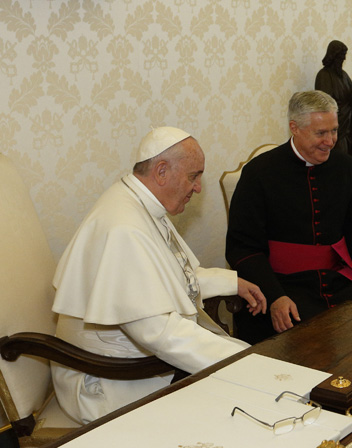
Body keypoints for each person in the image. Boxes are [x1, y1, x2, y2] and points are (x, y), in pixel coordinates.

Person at [51, 127, 267, 425]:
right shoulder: (124, 227)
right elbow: (161, 333)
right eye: (194, 176)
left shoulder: (139, 204)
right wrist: (244, 360)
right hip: (112, 383)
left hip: (141, 364)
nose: (199, 188)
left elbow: (173, 277)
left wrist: (233, 282)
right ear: (162, 171)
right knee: (240, 407)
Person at [226, 90, 352, 345]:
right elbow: (243, 249)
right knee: (305, 336)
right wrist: (275, 296)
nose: (330, 141)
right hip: (281, 284)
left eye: (334, 130)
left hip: (338, 280)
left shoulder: (347, 168)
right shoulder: (259, 173)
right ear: (295, 128)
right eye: (321, 133)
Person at [314, 40, 352, 160]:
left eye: (344, 58)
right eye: (340, 57)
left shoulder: (344, 76)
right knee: (339, 157)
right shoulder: (324, 75)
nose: (342, 60)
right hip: (336, 126)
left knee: (350, 157)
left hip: (349, 123)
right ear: (333, 57)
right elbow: (323, 103)